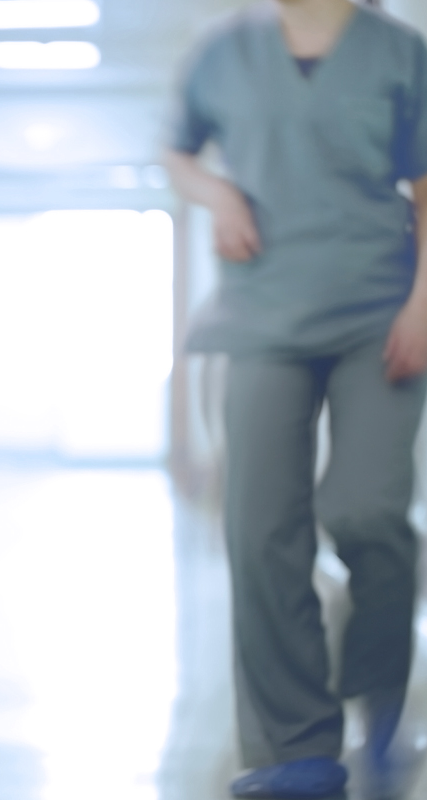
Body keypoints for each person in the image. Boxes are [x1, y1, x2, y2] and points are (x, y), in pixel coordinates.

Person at [164, 0, 427, 797]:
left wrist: (423, 302)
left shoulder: (397, 53)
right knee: (258, 529)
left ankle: (380, 691)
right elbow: (177, 154)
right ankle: (295, 749)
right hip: (263, 312)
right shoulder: (223, 51)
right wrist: (219, 195)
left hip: (380, 310)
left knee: (366, 510)